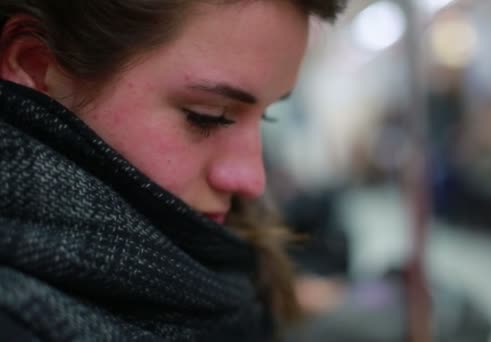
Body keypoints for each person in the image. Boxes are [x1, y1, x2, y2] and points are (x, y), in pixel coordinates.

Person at [0, 0, 346, 340]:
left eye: (265, 116)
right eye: (207, 115)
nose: (252, 180)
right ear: (33, 66)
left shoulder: (231, 283)